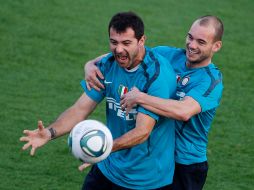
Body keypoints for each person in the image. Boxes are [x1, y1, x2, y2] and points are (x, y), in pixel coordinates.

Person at [20, 11, 177, 190]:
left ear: (141, 41)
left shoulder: (156, 76)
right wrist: (49, 133)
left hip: (145, 178)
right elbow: (80, 109)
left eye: (126, 43)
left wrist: (104, 149)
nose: (118, 50)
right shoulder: (108, 65)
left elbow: (142, 131)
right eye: (113, 42)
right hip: (108, 167)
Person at [84, 15, 224, 190]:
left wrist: (141, 97)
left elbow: (183, 111)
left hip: (186, 163)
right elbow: (130, 51)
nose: (192, 45)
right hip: (158, 157)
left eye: (201, 42)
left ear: (216, 46)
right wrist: (91, 64)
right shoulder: (168, 55)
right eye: (190, 37)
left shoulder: (210, 80)